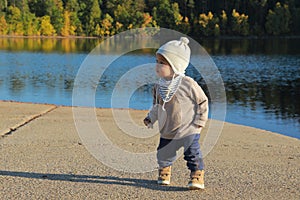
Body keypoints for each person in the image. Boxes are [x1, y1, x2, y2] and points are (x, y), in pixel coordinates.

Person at [143, 37, 209, 190]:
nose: (157, 65)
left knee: (192, 154)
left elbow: (202, 101)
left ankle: (197, 174)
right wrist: (150, 118)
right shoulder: (158, 87)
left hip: (189, 128)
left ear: (175, 65)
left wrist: (200, 121)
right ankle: (165, 171)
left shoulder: (188, 83)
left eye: (162, 63)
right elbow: (157, 106)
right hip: (167, 128)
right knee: (163, 154)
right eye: (156, 61)